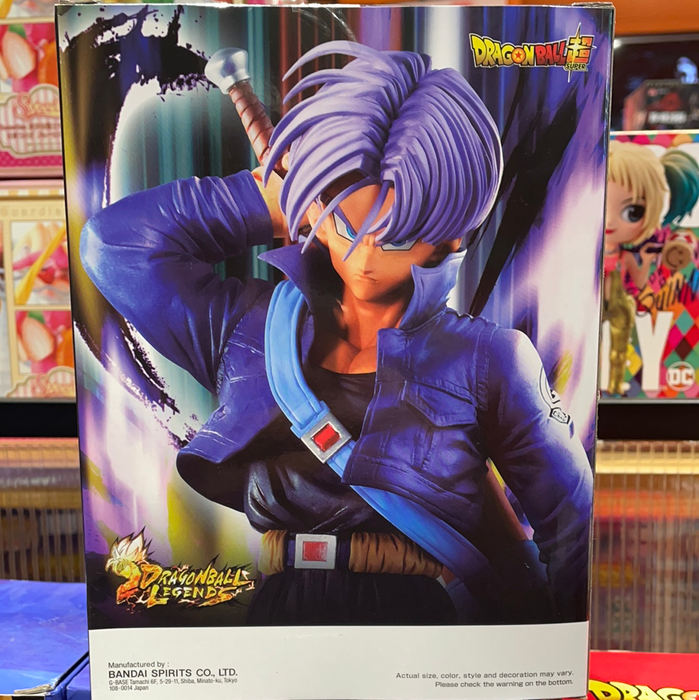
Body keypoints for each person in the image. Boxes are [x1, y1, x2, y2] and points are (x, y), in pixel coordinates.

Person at [81, 41, 592, 626]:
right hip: (283, 607)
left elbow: (571, 527)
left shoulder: (489, 360)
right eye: (347, 224)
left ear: (450, 237)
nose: (364, 258)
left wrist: (545, 654)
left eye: (397, 236)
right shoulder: (249, 328)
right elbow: (113, 247)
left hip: (419, 619)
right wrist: (264, 200)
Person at [604, 140, 699, 394]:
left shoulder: (626, 255)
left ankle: (613, 384)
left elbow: (639, 281)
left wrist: (645, 262)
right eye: (601, 205)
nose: (609, 221)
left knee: (619, 344)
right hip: (590, 302)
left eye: (633, 211)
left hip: (619, 300)